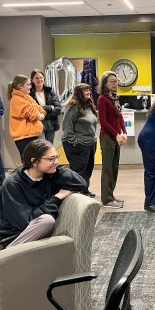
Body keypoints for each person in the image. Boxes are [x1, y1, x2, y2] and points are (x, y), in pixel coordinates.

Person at [0, 139, 87, 303]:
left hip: (22, 239)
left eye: (57, 157)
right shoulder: (12, 183)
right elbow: (25, 222)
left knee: (46, 221)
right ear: (34, 161)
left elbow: (81, 183)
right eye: (51, 158)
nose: (57, 162)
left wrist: (56, 167)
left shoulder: (51, 176)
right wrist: (56, 198)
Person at [62, 83, 98, 198]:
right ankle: (76, 194)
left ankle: (84, 189)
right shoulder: (73, 106)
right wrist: (75, 142)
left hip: (90, 143)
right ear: (79, 93)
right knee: (78, 170)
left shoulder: (88, 106)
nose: (88, 92)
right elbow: (67, 126)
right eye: (85, 91)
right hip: (78, 144)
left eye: (89, 90)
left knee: (88, 169)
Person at [98, 71, 127, 208]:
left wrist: (124, 132)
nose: (115, 83)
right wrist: (116, 134)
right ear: (105, 83)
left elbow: (119, 117)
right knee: (107, 169)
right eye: (112, 81)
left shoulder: (115, 98)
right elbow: (103, 122)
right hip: (107, 137)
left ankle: (111, 195)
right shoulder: (102, 99)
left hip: (116, 137)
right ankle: (106, 199)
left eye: (116, 81)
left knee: (114, 168)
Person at [8, 75, 46, 160]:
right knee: (29, 163)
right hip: (24, 137)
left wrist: (40, 114)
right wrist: (38, 115)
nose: (30, 87)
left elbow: (39, 109)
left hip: (32, 135)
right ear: (20, 86)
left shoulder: (27, 97)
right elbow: (32, 113)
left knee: (35, 161)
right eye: (28, 85)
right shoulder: (16, 99)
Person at [29, 69, 61, 144]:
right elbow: (32, 109)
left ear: (44, 78)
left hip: (51, 125)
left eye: (41, 77)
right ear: (32, 80)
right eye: (36, 78)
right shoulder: (29, 94)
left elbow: (58, 108)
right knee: (41, 148)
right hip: (37, 125)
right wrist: (49, 108)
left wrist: (43, 115)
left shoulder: (50, 91)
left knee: (50, 147)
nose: (39, 80)